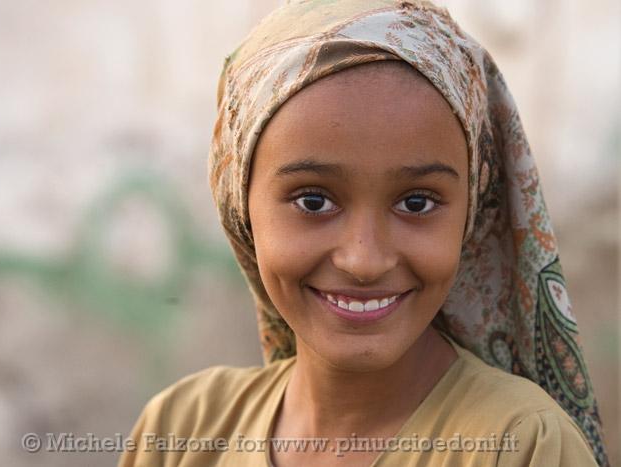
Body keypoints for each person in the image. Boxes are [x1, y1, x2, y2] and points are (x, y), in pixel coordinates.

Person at [118, 1, 608, 465]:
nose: (364, 260)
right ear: (240, 207)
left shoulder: (520, 445)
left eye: (417, 203)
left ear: (471, 215)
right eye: (314, 201)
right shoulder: (182, 431)